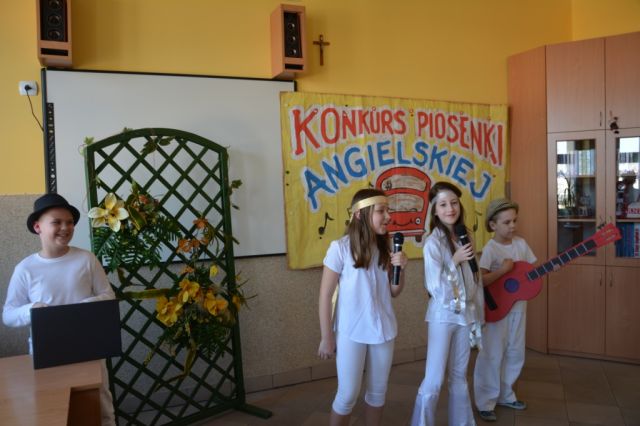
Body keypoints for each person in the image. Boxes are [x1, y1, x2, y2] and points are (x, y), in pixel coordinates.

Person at [2, 193, 117, 426]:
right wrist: (32, 309)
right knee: (52, 408)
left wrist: (83, 308)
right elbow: (8, 315)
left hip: (89, 347)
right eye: (56, 222)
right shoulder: (25, 268)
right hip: (46, 351)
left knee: (100, 406)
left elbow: (108, 296)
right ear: (38, 227)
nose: (65, 228)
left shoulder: (86, 259)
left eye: (70, 222)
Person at [317, 188, 408, 426]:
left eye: (388, 210)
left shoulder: (386, 248)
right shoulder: (340, 248)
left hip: (383, 329)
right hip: (351, 331)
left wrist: (401, 269)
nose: (388, 216)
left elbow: (394, 292)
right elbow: (325, 296)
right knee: (347, 395)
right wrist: (327, 337)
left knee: (378, 393)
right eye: (381, 211)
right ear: (360, 214)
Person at [410, 181, 484, 426]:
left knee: (459, 377)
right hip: (443, 316)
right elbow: (435, 287)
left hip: (465, 315)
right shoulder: (433, 243)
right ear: (435, 211)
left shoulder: (465, 236)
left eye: (453, 203)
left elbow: (474, 279)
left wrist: (477, 311)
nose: (450, 209)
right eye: (443, 205)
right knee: (434, 379)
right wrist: (454, 260)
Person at [473, 198, 537, 422]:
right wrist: (503, 271)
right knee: (492, 354)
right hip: (496, 311)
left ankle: (506, 395)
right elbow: (481, 281)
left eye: (514, 221)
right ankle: (485, 401)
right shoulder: (491, 249)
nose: (513, 226)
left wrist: (551, 267)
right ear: (493, 225)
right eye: (507, 222)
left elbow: (530, 274)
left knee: (515, 352)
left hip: (519, 309)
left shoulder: (521, 244)